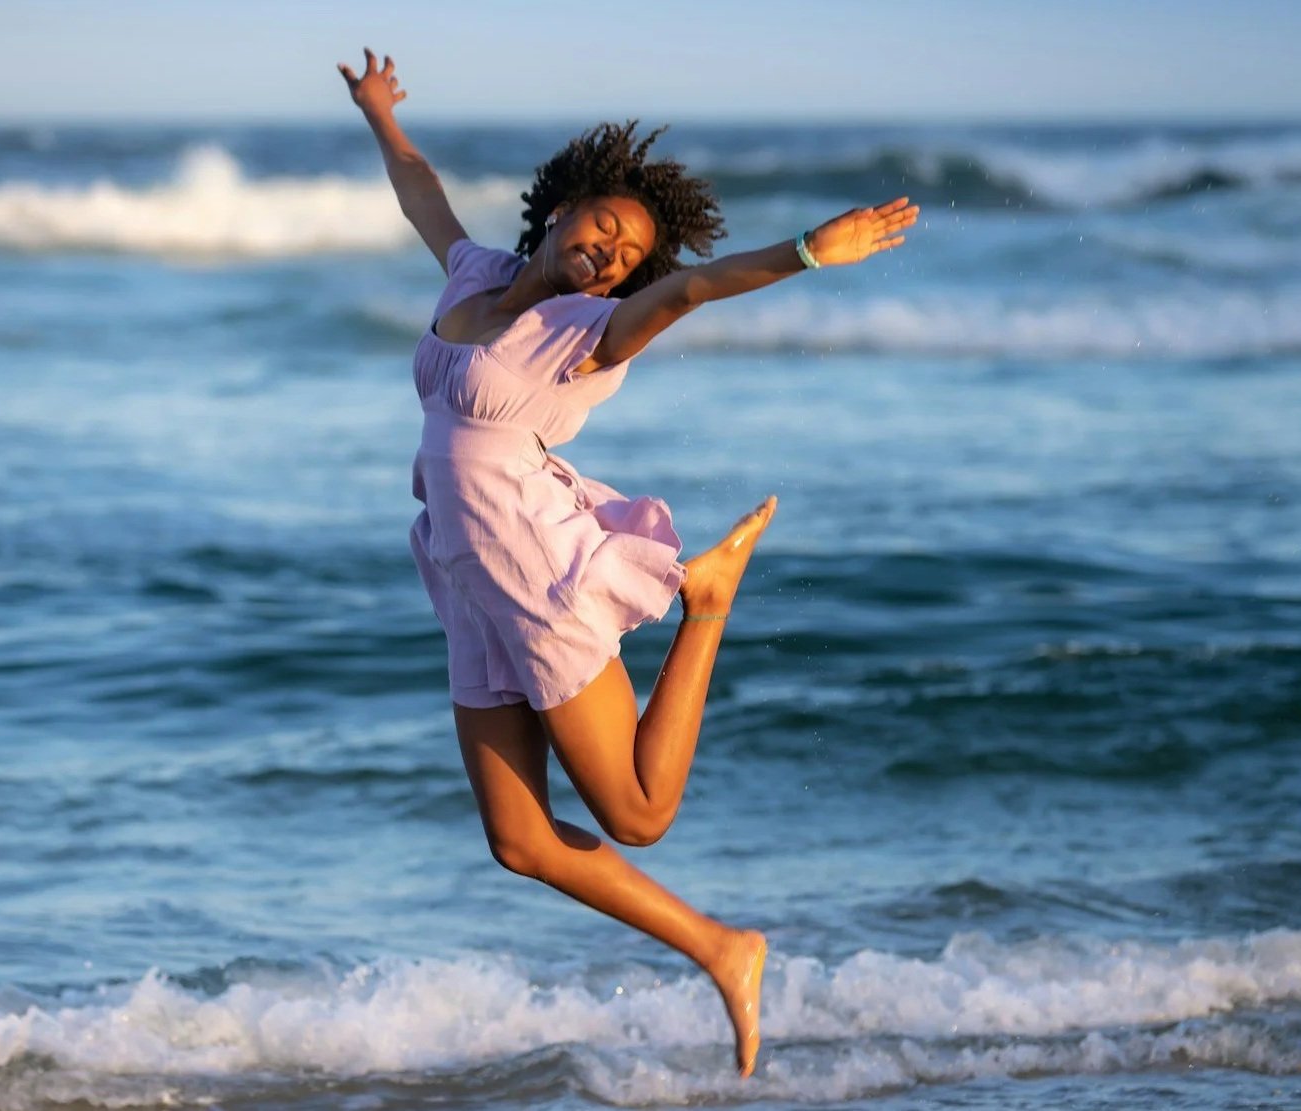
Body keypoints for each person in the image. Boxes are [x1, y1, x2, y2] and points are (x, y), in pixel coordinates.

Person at [338, 48, 917, 1077]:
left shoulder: (589, 333)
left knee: (638, 814)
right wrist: (381, 115)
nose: (610, 251)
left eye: (626, 252)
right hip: (465, 576)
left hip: (530, 566)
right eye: (601, 226)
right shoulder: (474, 276)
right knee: (517, 840)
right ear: (557, 212)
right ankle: (721, 947)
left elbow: (690, 289)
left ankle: (705, 602)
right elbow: (422, 193)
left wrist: (807, 253)